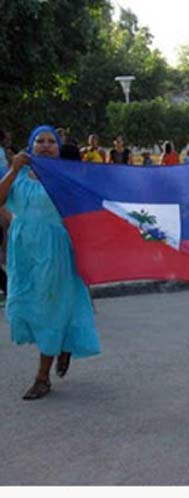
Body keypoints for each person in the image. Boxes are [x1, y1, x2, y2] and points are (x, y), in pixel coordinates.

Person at [0, 125, 100, 400]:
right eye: (39, 141)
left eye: (50, 142)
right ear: (30, 146)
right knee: (21, 305)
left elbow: (88, 209)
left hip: (54, 250)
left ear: (58, 148)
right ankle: (62, 344)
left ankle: (42, 378)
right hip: (22, 252)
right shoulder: (18, 174)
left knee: (49, 307)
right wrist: (13, 169)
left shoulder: (66, 176)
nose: (45, 145)